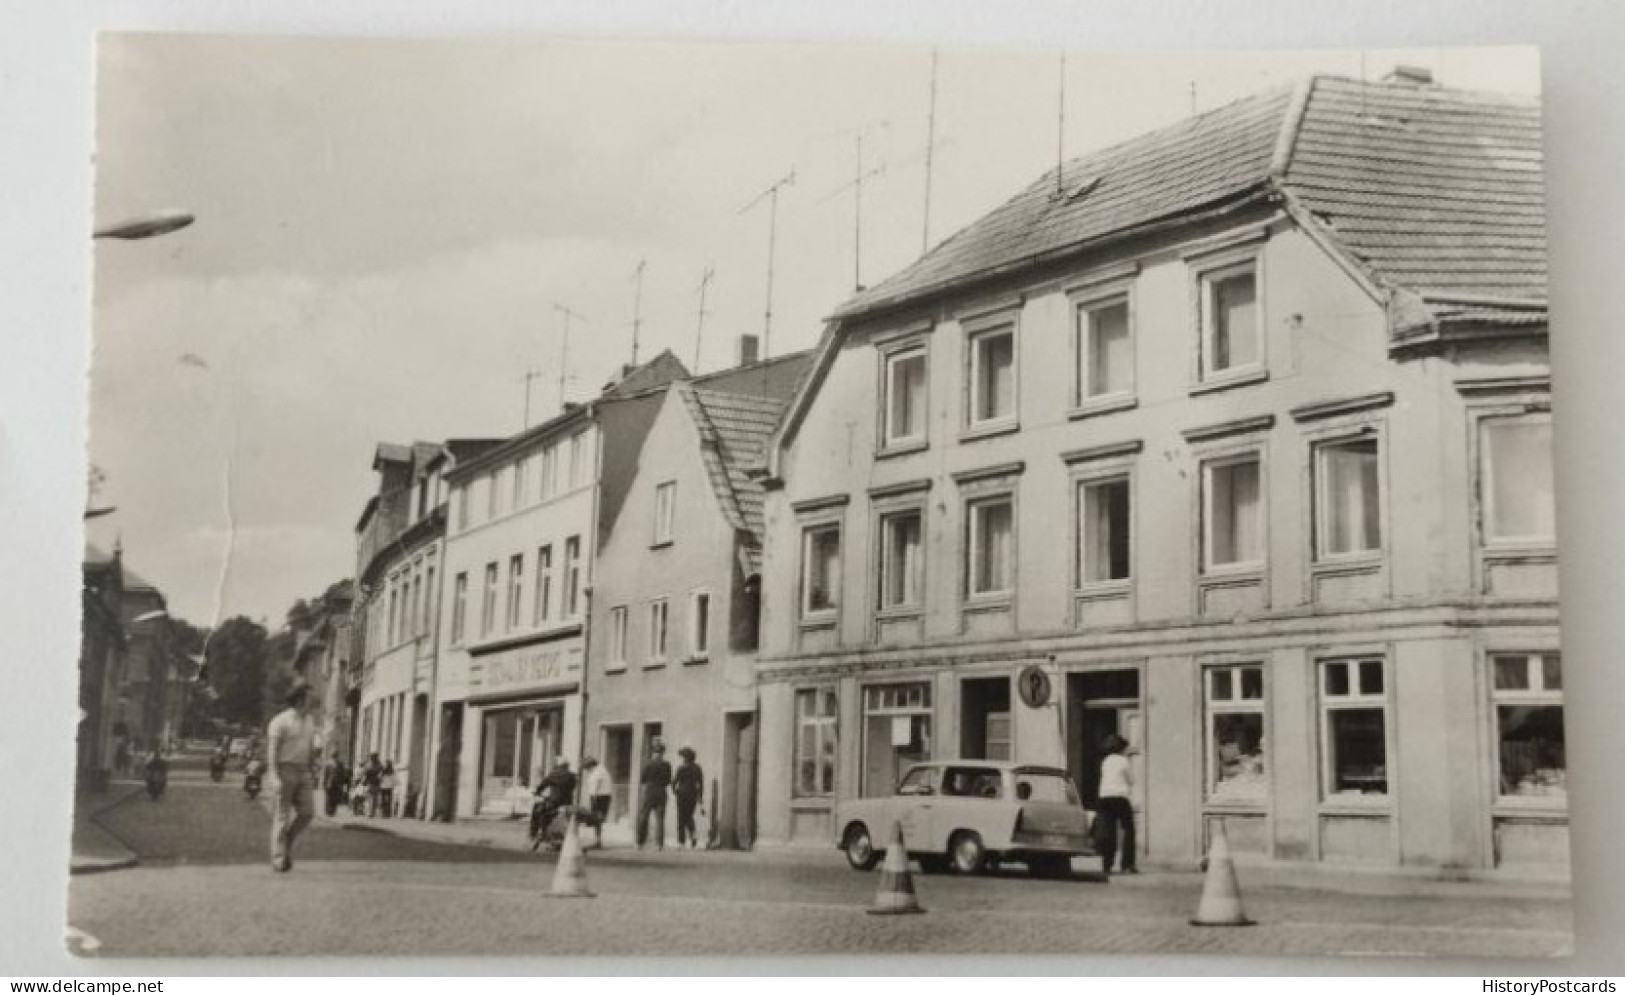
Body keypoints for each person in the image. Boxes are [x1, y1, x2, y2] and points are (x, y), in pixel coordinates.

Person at [266, 681, 318, 872]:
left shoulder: (310, 720)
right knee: (282, 816)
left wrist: (312, 769)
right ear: (299, 699)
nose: (313, 701)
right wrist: (273, 776)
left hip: (303, 771)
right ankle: (279, 858)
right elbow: (272, 751)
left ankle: (285, 840)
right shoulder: (280, 721)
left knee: (308, 812)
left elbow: (311, 747)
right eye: (309, 698)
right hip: (284, 769)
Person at [1095, 733, 1137, 875]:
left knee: (1108, 831)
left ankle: (1107, 865)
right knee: (1128, 830)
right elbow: (1131, 780)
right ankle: (1127, 864)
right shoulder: (1123, 761)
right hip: (1119, 797)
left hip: (1104, 797)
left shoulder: (1105, 761)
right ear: (1121, 748)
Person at [530, 758, 577, 850]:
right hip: (567, 802)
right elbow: (573, 787)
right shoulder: (572, 776)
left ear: (558, 766)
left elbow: (542, 785)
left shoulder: (553, 774)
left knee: (537, 810)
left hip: (554, 802)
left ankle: (534, 832)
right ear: (567, 766)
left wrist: (537, 791)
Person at [637, 742, 672, 850]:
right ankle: (659, 844)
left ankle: (640, 842)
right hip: (661, 791)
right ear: (663, 753)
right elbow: (668, 780)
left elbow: (642, 779)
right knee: (660, 819)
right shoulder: (667, 765)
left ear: (653, 752)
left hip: (650, 790)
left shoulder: (648, 764)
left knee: (644, 817)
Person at [672, 747, 705, 849]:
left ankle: (681, 842)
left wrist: (675, 791)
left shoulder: (681, 768)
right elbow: (700, 783)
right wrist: (700, 796)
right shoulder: (697, 768)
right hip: (692, 795)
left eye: (683, 757)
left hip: (681, 795)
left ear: (685, 758)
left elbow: (674, 782)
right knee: (689, 816)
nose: (682, 758)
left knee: (681, 818)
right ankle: (693, 836)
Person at [580, 756, 613, 849]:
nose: (587, 770)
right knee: (597, 820)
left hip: (599, 797)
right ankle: (598, 840)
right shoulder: (600, 770)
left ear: (591, 766)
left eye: (587, 768)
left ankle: (598, 841)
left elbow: (596, 786)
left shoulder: (598, 772)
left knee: (597, 819)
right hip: (601, 796)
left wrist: (592, 800)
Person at [360, 753, 382, 817]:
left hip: (373, 783)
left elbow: (364, 773)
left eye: (372, 757)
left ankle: (371, 812)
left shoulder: (370, 765)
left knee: (372, 798)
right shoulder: (378, 764)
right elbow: (365, 773)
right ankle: (371, 812)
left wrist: (364, 780)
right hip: (373, 783)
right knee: (372, 798)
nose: (372, 758)